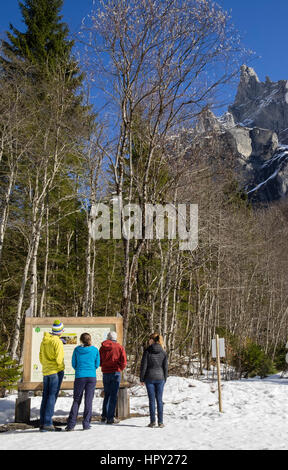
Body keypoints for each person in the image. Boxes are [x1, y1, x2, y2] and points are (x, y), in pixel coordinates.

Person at [65, 333, 100, 431]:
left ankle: (71, 424)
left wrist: (80, 369)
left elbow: (73, 363)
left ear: (81, 340)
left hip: (80, 376)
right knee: (88, 400)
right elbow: (97, 364)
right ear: (90, 339)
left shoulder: (77, 350)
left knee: (76, 400)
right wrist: (91, 369)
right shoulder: (95, 350)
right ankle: (86, 424)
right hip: (91, 376)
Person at [39, 319, 65, 432]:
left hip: (46, 372)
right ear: (59, 331)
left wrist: (46, 366)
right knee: (52, 396)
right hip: (55, 372)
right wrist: (61, 368)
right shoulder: (57, 342)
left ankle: (43, 422)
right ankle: (48, 423)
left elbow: (40, 356)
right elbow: (59, 359)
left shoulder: (44, 340)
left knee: (45, 396)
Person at [140, 333, 168, 428]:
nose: (148, 341)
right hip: (160, 378)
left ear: (152, 340)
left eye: (149, 339)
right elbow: (165, 367)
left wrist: (142, 378)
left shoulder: (147, 351)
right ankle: (160, 422)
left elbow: (144, 366)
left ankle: (152, 422)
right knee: (159, 400)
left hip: (150, 378)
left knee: (152, 400)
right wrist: (165, 378)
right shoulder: (163, 351)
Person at [100, 331, 127, 424]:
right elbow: (124, 361)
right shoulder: (119, 347)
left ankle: (104, 415)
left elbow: (99, 360)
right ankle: (110, 418)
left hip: (105, 373)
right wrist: (120, 368)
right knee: (113, 395)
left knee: (107, 394)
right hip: (115, 372)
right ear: (115, 338)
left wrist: (104, 366)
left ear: (108, 337)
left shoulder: (102, 348)